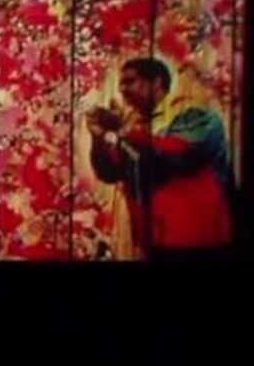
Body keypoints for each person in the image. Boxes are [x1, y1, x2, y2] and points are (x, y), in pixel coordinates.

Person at [87, 56, 234, 259]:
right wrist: (98, 139)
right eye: (120, 83)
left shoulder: (195, 113)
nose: (121, 89)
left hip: (197, 239)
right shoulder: (134, 124)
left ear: (156, 82)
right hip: (153, 242)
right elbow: (111, 173)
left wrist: (124, 130)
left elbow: (181, 156)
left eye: (130, 81)